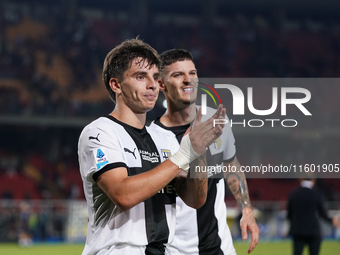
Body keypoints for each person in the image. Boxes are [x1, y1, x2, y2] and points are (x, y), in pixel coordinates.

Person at [77, 39, 226, 255]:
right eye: (140, 77)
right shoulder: (100, 132)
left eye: (156, 78)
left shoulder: (162, 139)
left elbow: (195, 199)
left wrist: (198, 152)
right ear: (116, 85)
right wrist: (183, 155)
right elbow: (122, 195)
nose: (152, 85)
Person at [148, 49, 259, 255]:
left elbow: (230, 164)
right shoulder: (151, 139)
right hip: (176, 251)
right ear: (161, 84)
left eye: (192, 73)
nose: (188, 80)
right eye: (178, 75)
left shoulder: (217, 120)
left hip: (222, 249)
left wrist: (247, 208)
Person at [287, 178, 339, 255]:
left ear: (300, 180)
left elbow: (289, 214)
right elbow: (322, 214)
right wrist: (332, 221)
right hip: (313, 230)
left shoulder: (294, 194)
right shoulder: (317, 194)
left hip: (298, 230)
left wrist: (294, 223)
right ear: (313, 181)